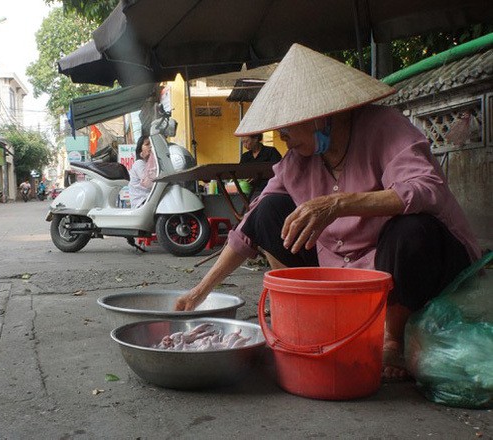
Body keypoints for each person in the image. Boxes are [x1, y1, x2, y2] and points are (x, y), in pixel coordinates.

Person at [174, 43, 481, 381]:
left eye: (289, 128)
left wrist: (339, 204)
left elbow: (425, 189)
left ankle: (392, 338)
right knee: (269, 212)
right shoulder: (297, 161)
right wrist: (201, 290)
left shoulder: (384, 128)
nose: (283, 138)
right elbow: (250, 226)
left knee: (410, 227)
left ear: (321, 116)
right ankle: (300, 310)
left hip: (420, 260)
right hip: (350, 272)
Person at [128, 136, 156, 208]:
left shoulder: (150, 163)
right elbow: (149, 183)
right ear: (140, 150)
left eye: (152, 144)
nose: (150, 146)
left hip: (149, 199)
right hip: (141, 202)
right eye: (147, 144)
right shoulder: (139, 163)